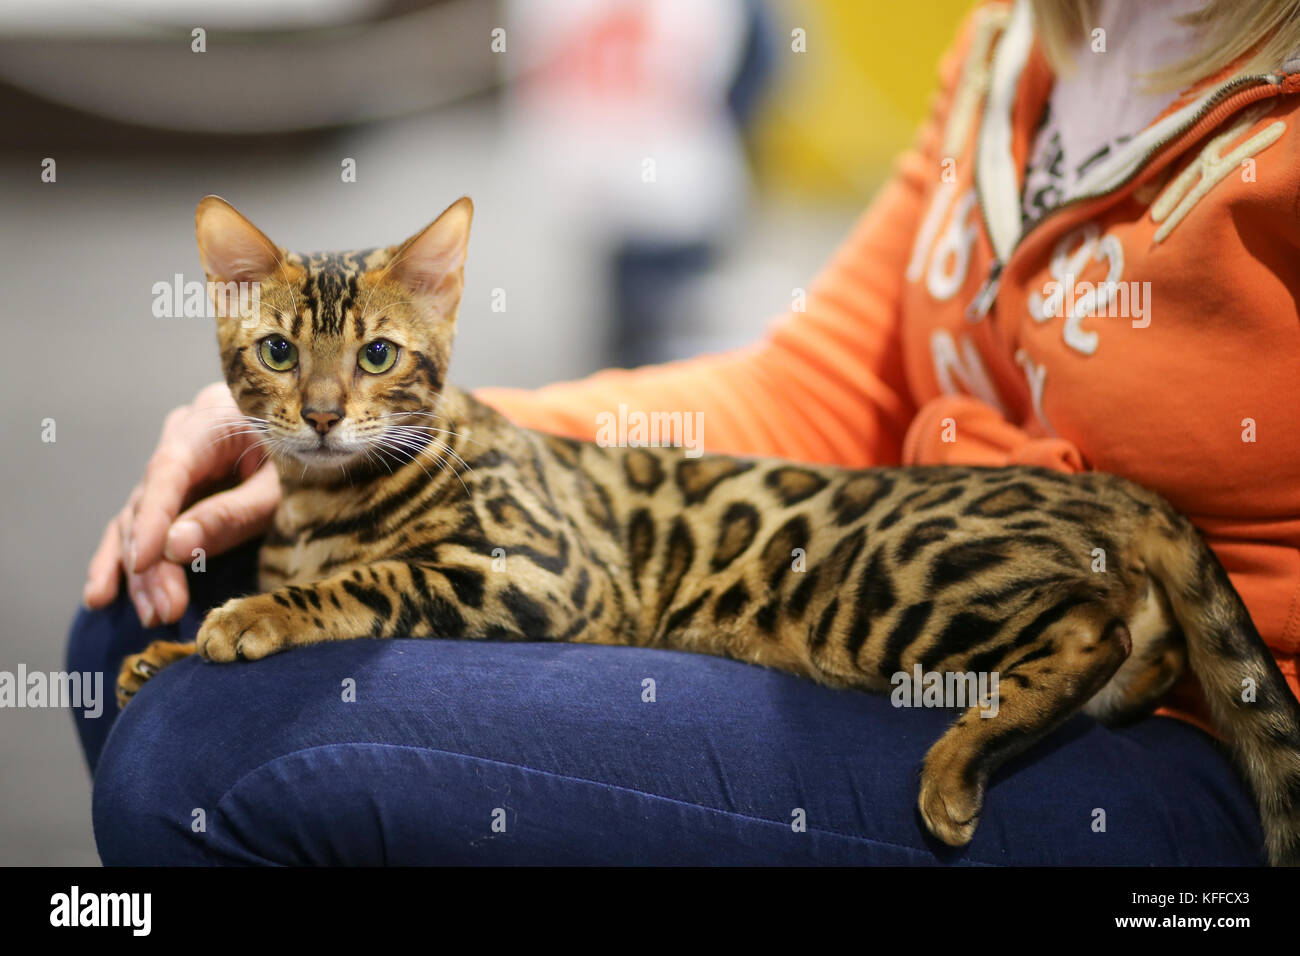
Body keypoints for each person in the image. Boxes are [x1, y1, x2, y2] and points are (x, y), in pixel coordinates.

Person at [73, 0, 1300, 864]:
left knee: (204, 755)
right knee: (125, 621)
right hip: (869, 570)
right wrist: (419, 444)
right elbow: (821, 382)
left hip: (1184, 740)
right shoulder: (1019, 39)